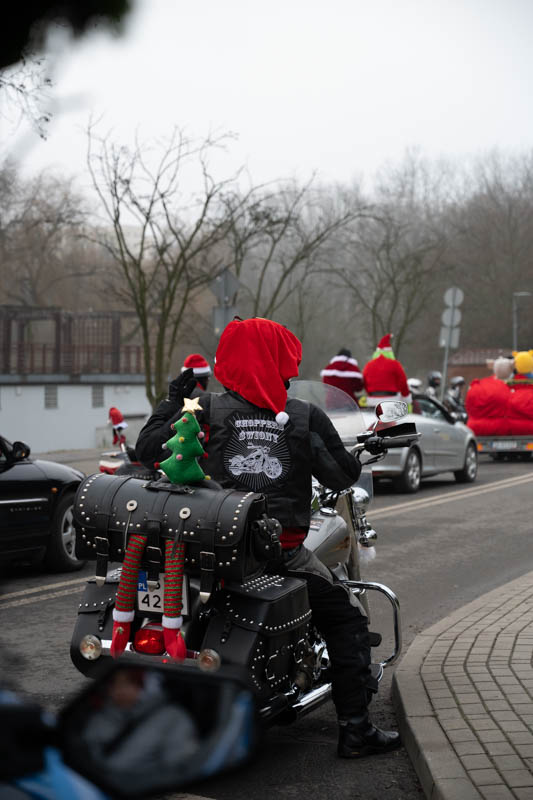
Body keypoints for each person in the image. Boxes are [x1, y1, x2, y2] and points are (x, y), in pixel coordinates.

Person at [136, 317, 401, 759]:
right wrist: (364, 451)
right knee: (348, 621)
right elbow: (340, 474)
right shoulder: (301, 415)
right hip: (278, 556)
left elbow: (147, 451)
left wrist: (172, 401)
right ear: (279, 360)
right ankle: (356, 729)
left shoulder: (200, 408)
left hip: (206, 551)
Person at [361, 334, 411, 408]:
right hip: (391, 400)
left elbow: (364, 382)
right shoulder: (395, 364)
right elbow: (402, 382)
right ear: (390, 353)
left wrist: (369, 393)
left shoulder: (369, 365)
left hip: (372, 401)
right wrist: (406, 399)